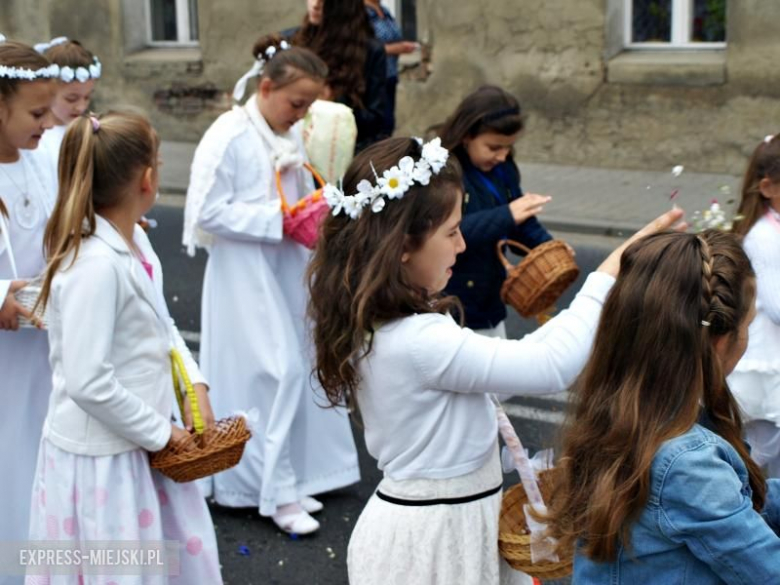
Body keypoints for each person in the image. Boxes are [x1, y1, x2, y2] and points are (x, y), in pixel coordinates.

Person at [307, 135, 684, 584]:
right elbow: (549, 365)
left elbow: (484, 385)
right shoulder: (418, 339)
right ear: (402, 245)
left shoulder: (390, 325)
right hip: (434, 542)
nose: (462, 245)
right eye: (451, 232)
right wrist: (609, 273)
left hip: (438, 525)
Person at [28, 111, 222, 583]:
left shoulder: (134, 239)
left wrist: (193, 380)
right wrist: (163, 433)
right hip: (106, 462)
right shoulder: (94, 265)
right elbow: (87, 380)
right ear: (149, 177)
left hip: (138, 444)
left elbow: (162, 321)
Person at [182, 34, 359, 535]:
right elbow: (208, 213)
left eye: (308, 107)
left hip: (283, 269)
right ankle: (270, 492)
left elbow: (299, 196)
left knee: (298, 366)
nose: (300, 116)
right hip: (243, 274)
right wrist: (275, 218)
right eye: (296, 104)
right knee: (269, 372)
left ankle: (293, 477)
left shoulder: (288, 132)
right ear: (265, 86)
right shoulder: (229, 135)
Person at [545, 229, 780, 583]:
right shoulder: (688, 461)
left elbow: (740, 501)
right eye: (748, 325)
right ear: (717, 343)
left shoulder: (629, 416)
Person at [0, 36, 57, 585]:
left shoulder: (41, 163)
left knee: (39, 461)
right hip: (3, 362)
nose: (49, 123)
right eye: (37, 112)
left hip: (43, 352)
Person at [438, 86, 554, 335]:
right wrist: (507, 214)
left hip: (490, 301)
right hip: (456, 306)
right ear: (467, 135)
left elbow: (520, 221)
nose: (502, 156)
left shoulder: (504, 170)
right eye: (493, 147)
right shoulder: (446, 171)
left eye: (508, 148)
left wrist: (548, 247)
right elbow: (447, 233)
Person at [728, 133, 780, 476]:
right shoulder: (763, 237)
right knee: (760, 451)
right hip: (765, 365)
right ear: (768, 187)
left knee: (765, 451)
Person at [291, 0, 387, 151]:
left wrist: (334, 101)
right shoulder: (293, 41)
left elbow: (378, 121)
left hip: (345, 153)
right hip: (296, 149)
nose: (315, 4)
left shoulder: (369, 52)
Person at [34, 37, 101, 173]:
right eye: (71, 99)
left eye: (87, 97)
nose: (81, 107)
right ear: (48, 92)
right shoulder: (38, 139)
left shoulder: (91, 128)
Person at [364, 0, 417, 136]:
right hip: (372, 78)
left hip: (390, 75)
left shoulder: (384, 11)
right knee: (376, 126)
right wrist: (395, 48)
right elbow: (364, 47)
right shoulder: (362, 12)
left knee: (388, 123)